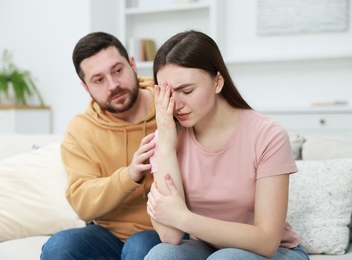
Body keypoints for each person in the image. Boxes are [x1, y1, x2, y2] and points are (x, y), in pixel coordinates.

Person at [145, 30, 310, 259]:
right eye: (168, 94)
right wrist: (165, 145)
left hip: (274, 252)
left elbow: (267, 241)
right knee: (161, 255)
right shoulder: (166, 137)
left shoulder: (267, 135)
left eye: (187, 91)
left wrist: (183, 218)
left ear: (218, 82)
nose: (177, 104)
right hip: (208, 248)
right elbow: (170, 235)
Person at [40, 32, 160, 260]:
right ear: (86, 87)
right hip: (109, 235)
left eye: (117, 70)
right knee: (58, 248)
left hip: (166, 231)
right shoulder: (81, 129)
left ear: (133, 65)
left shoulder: (169, 103)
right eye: (98, 80)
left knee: (139, 247)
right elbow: (83, 203)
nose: (113, 85)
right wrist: (129, 176)